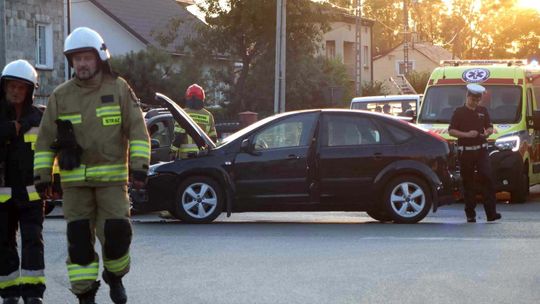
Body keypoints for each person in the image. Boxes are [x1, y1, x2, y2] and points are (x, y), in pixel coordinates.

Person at [33, 27, 150, 304]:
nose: (82, 64)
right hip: (75, 184)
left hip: (112, 181)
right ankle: (85, 294)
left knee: (118, 235)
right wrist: (42, 176)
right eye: (77, 59)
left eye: (87, 57)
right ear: (71, 62)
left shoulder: (119, 88)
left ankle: (115, 276)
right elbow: (46, 140)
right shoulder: (60, 96)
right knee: (79, 243)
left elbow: (137, 129)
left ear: (99, 58)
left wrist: (140, 166)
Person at [0, 60, 45, 304]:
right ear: (4, 87)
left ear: (30, 91)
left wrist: (51, 186)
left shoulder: (40, 118)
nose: (16, 91)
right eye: (11, 86)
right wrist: (10, 129)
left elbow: (50, 154)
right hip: (1, 194)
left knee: (33, 242)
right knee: (4, 244)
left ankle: (33, 294)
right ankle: (9, 294)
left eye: (21, 87)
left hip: (32, 193)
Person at [448, 83, 501, 223]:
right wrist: (466, 134)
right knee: (468, 183)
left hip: (482, 150)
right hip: (466, 152)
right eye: (473, 100)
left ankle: (491, 213)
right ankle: (470, 214)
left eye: (478, 100)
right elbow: (451, 131)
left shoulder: (483, 110)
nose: (475, 103)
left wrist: (488, 132)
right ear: (467, 97)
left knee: (487, 179)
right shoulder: (459, 112)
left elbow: (490, 126)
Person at [170, 84, 217, 159]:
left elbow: (179, 136)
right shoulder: (209, 115)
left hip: (185, 158)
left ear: (188, 98)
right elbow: (213, 139)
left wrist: (172, 152)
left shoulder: (182, 113)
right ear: (202, 98)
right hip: (203, 157)